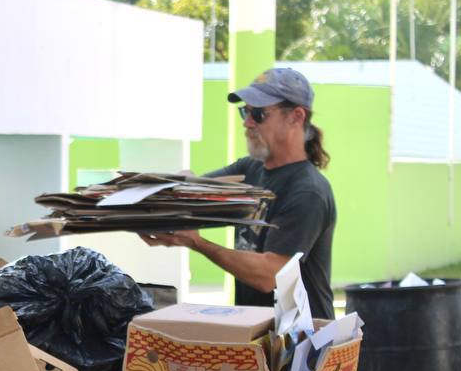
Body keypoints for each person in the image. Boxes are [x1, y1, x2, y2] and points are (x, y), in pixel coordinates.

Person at [143, 67, 337, 319]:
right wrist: (147, 206)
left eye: (258, 114)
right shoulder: (249, 170)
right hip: (261, 333)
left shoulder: (308, 192)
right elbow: (191, 195)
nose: (247, 122)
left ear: (296, 117)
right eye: (245, 112)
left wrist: (198, 243)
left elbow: (270, 275)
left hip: (304, 347)